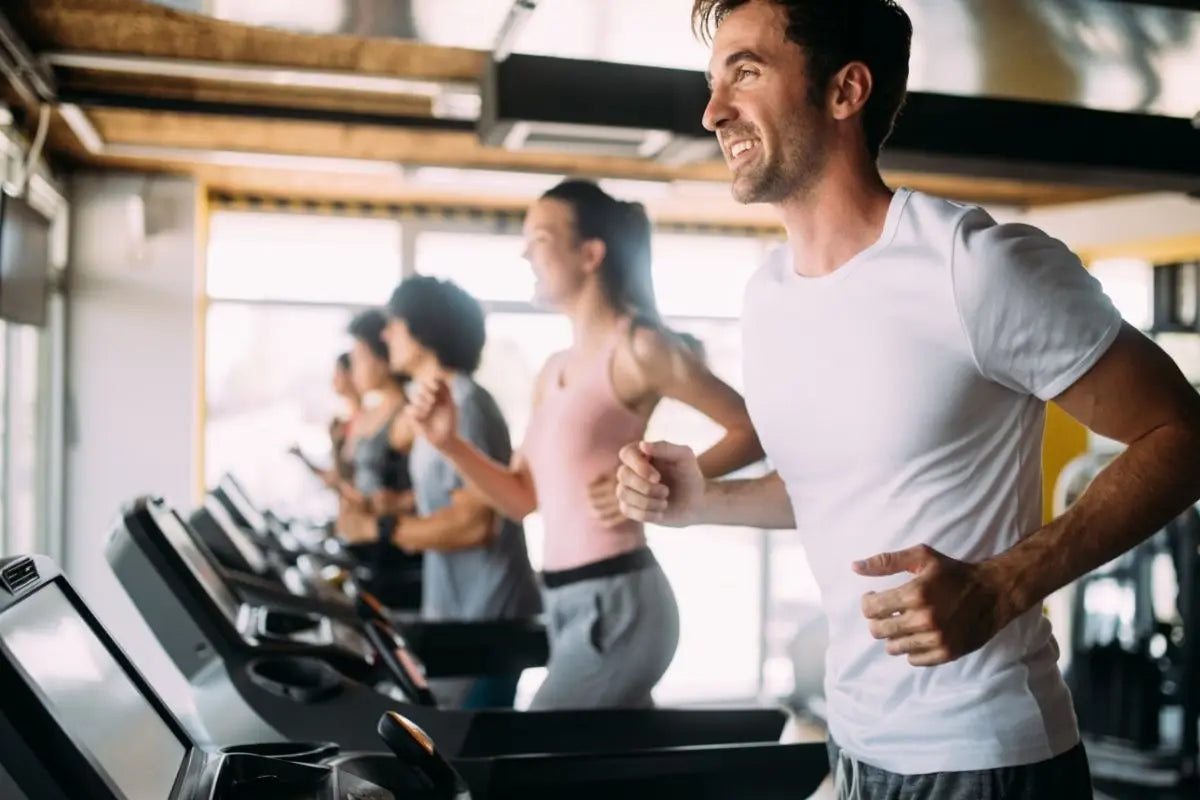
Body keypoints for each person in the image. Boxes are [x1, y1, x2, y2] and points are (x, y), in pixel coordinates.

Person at [614, 1, 1200, 797]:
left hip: (984, 756)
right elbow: (837, 486)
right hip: (854, 749)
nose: (713, 110)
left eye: (746, 72)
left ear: (845, 90)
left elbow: (1181, 433)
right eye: (714, 81)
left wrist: (1002, 586)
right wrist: (701, 499)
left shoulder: (973, 267)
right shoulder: (769, 295)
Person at [407, 179, 764, 710]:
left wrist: (666, 481)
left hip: (619, 602)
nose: (525, 252)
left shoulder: (638, 348)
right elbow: (522, 499)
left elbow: (751, 429)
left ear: (591, 254)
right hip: (565, 603)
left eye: (541, 239)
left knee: (538, 751)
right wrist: (450, 443)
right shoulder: (551, 372)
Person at [381, 275, 542, 710]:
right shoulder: (437, 403)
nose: (386, 334)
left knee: (477, 750)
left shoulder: (467, 405)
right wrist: (394, 507)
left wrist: (385, 529)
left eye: (394, 323)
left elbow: (476, 523)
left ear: (423, 329)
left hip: (488, 615)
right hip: (458, 607)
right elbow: (445, 493)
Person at [337, 309, 420, 609]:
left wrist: (398, 501)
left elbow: (432, 491)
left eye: (360, 356)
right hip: (366, 545)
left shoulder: (407, 416)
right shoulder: (369, 415)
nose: (354, 366)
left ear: (382, 359)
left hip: (396, 550)